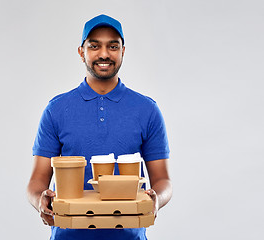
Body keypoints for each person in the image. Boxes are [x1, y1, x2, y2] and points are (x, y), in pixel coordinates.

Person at [27, 14, 172, 240]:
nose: (104, 54)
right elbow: (37, 180)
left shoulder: (147, 109)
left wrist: (157, 200)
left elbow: (163, 180)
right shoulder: (56, 109)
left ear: (123, 51)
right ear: (81, 52)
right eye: (94, 46)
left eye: (112, 46)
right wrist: (40, 200)